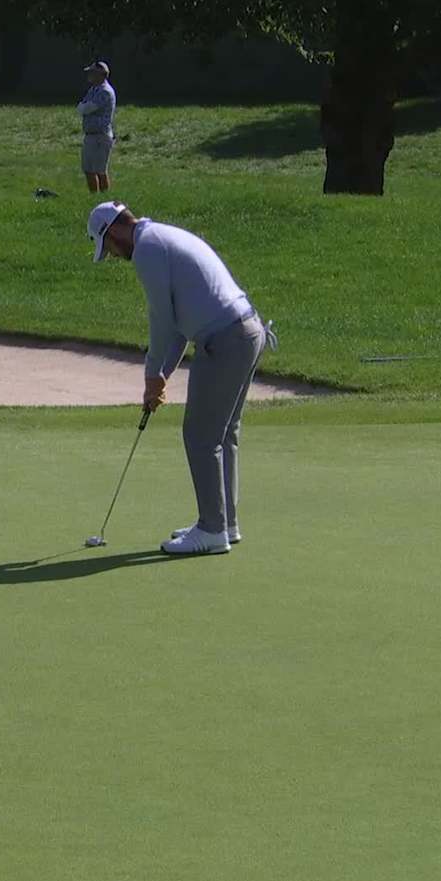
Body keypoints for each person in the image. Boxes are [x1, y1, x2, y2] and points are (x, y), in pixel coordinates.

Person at [86, 201, 278, 555]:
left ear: (112, 232)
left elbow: (160, 320)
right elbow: (176, 327)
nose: (112, 255)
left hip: (224, 339)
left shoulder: (146, 248)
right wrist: (159, 376)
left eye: (108, 248)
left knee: (200, 436)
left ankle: (211, 530)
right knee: (222, 434)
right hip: (247, 332)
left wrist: (151, 375)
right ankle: (224, 522)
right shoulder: (160, 237)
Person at [77, 60, 116, 193]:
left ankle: (104, 198)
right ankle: (94, 197)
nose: (89, 75)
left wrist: (83, 107)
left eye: (92, 73)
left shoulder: (105, 91)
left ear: (101, 75)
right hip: (90, 135)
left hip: (101, 136)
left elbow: (87, 108)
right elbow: (81, 106)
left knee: (100, 170)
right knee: (88, 170)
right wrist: (83, 107)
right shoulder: (93, 89)